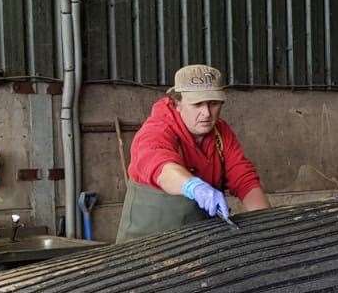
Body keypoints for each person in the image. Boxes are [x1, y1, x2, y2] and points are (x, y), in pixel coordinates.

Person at [116, 64, 271, 242]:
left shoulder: (221, 133)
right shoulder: (157, 130)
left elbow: (244, 179)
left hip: (197, 244)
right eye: (197, 104)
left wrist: (267, 228)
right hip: (147, 246)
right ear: (177, 103)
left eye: (213, 104)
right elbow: (161, 167)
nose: (206, 113)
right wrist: (193, 187)